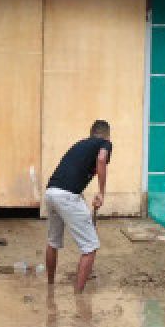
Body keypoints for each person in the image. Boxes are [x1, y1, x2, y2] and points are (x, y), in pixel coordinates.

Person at [44, 119, 112, 293]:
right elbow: (102, 159)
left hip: (51, 192)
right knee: (90, 247)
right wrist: (101, 192)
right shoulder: (105, 143)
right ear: (107, 135)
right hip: (67, 196)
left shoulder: (81, 144)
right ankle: (78, 296)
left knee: (52, 242)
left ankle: (50, 287)